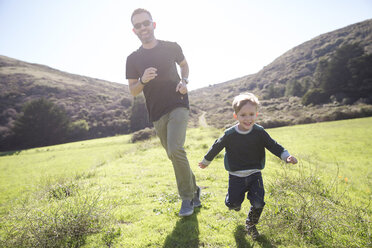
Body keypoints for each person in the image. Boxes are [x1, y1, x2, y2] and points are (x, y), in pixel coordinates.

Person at [126, 8, 200, 217]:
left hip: (178, 103)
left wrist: (184, 82)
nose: (143, 28)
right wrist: (143, 80)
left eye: (146, 23)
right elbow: (133, 90)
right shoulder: (132, 59)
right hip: (156, 112)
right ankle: (195, 189)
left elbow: (185, 66)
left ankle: (187, 199)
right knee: (173, 154)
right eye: (138, 25)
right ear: (134, 30)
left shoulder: (171, 47)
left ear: (153, 24)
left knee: (176, 149)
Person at [198, 93, 298, 239]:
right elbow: (216, 147)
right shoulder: (229, 134)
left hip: (255, 174)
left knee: (258, 203)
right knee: (233, 204)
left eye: (251, 114)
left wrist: (286, 156)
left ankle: (250, 224)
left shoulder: (259, 132)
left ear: (256, 114)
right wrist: (206, 161)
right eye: (243, 115)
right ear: (236, 116)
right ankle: (232, 202)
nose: (248, 118)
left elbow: (273, 145)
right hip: (236, 176)